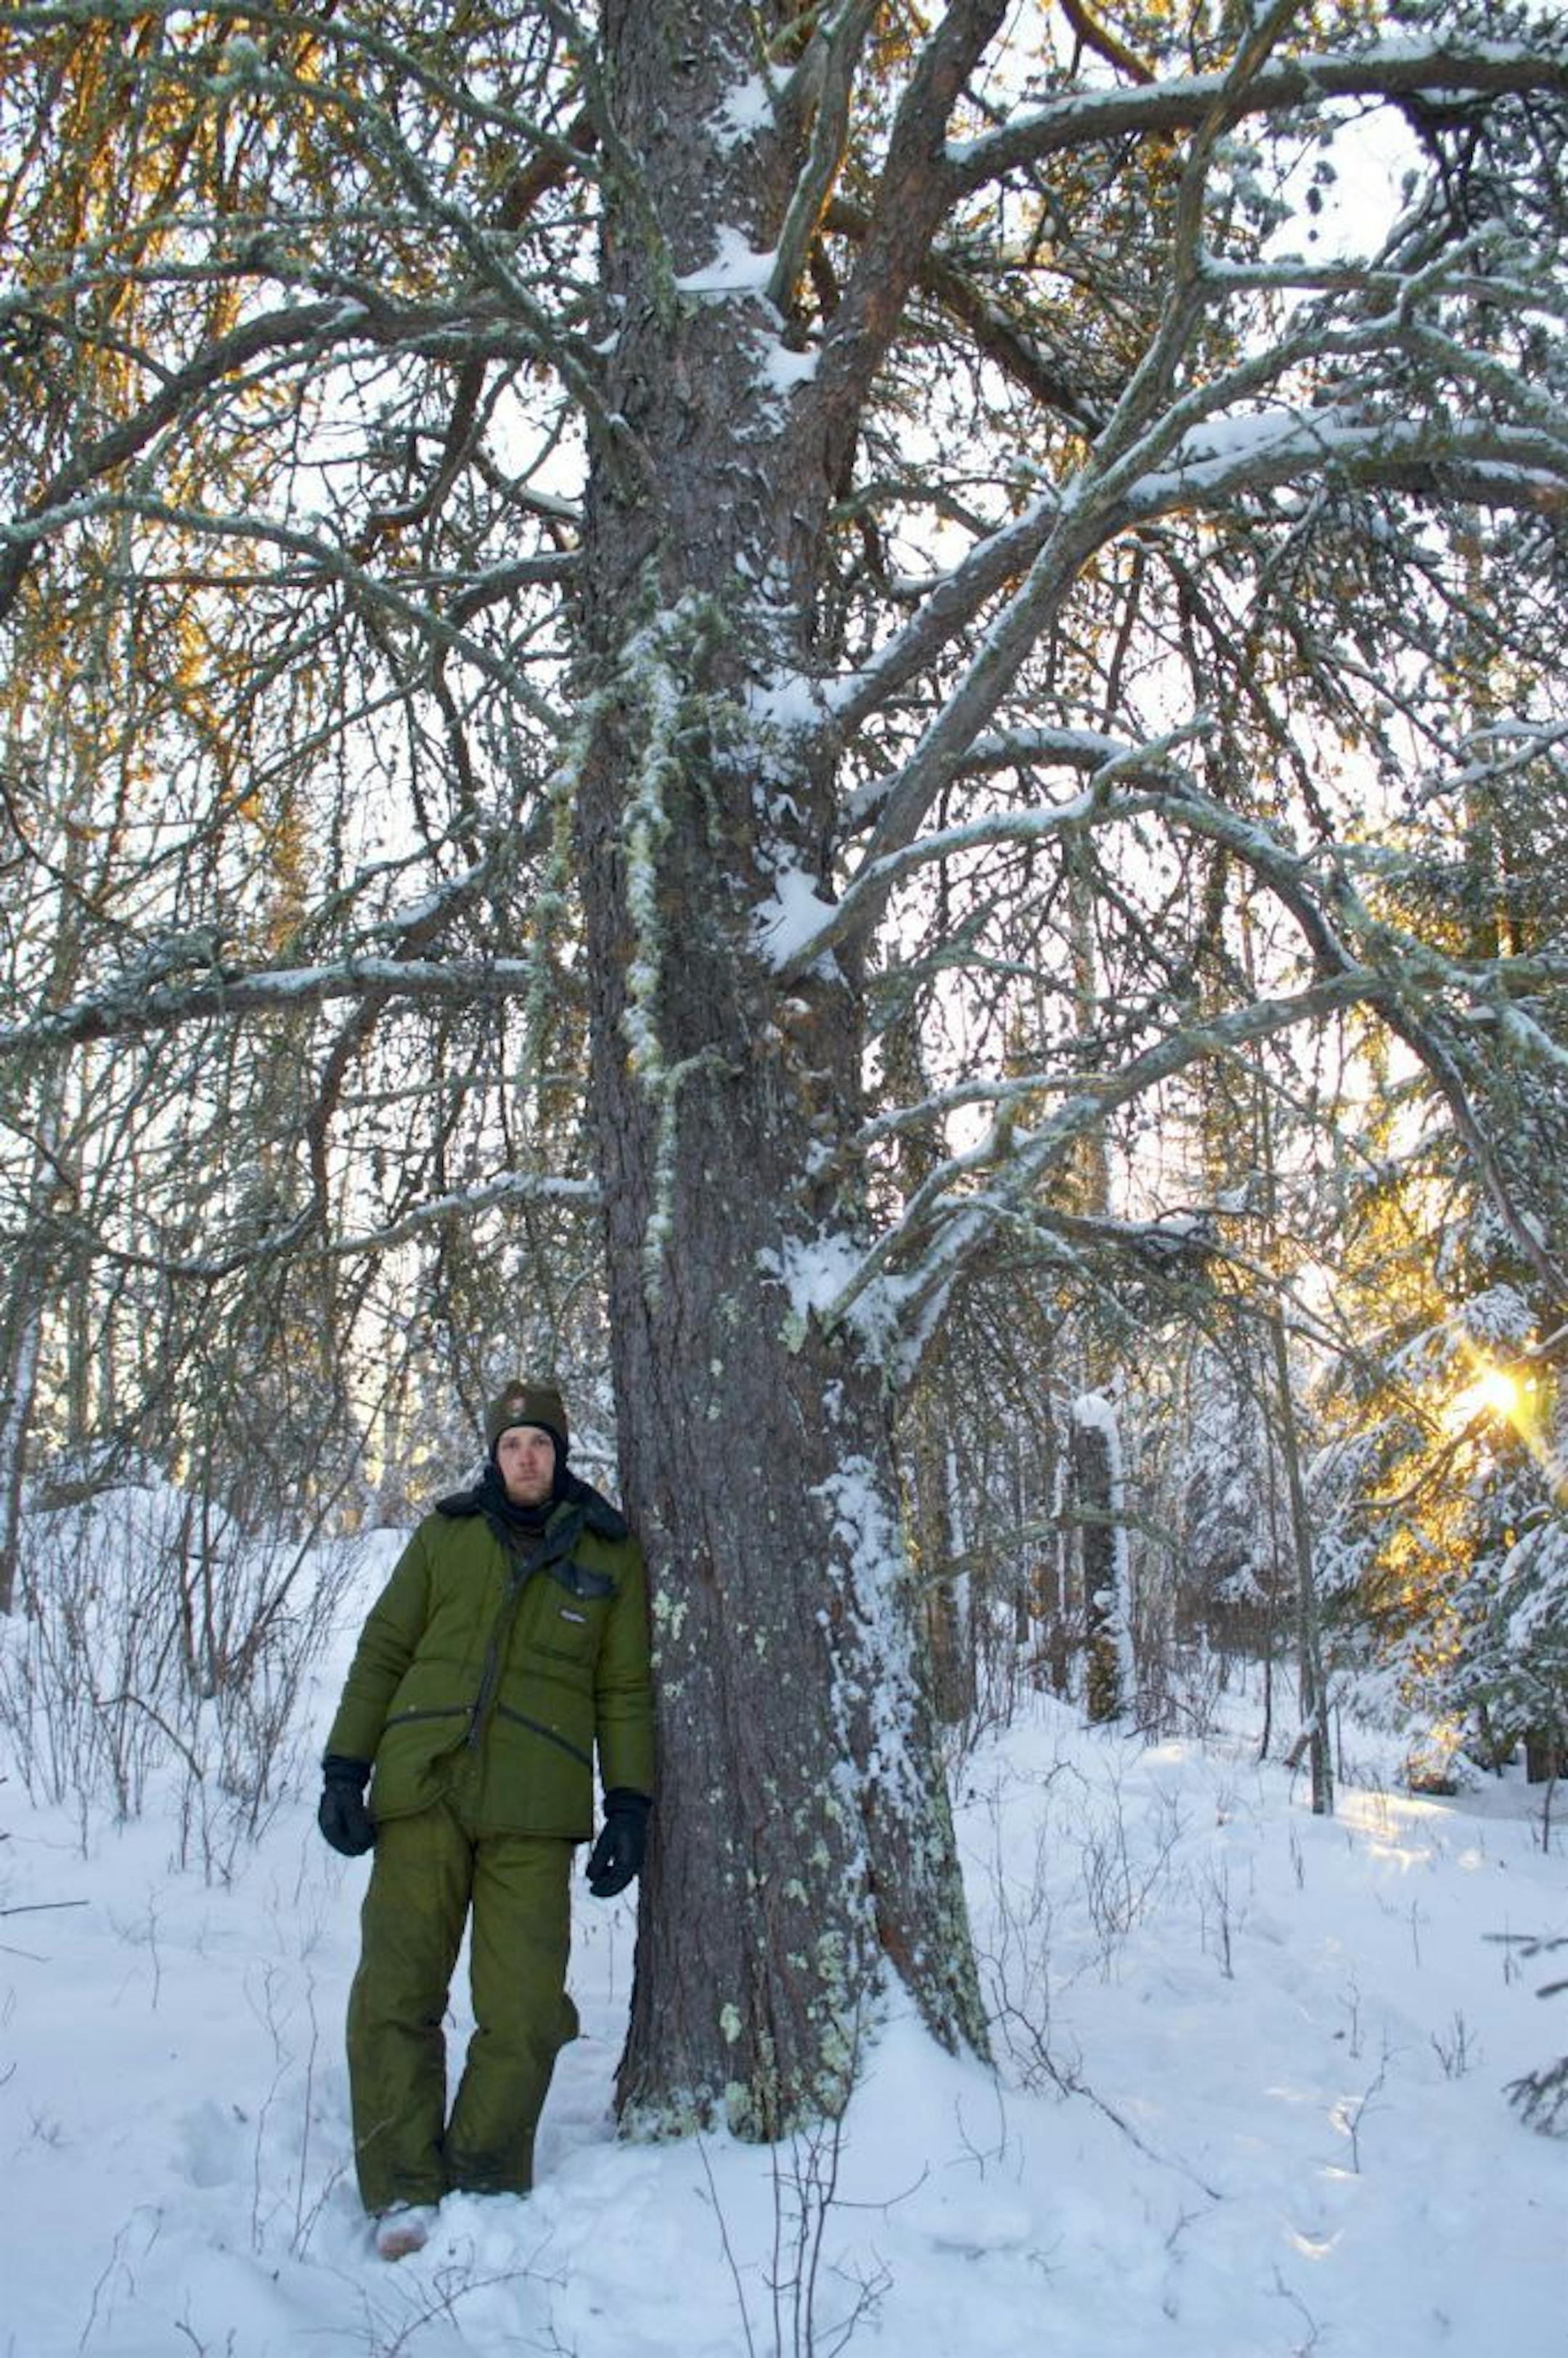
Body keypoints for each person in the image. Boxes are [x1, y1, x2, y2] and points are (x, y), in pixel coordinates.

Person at [317, 1379, 654, 2261]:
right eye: (512, 1444)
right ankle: (400, 2183)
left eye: (540, 1442)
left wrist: (629, 1804)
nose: (526, 1458)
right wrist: (345, 1767)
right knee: (395, 1991)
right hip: (424, 1790)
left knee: (528, 2007)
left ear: (561, 1451)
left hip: (532, 1812)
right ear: (494, 1454)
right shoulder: (448, 1534)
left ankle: (484, 2171)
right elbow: (385, 1646)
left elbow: (623, 1689)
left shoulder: (609, 1552)